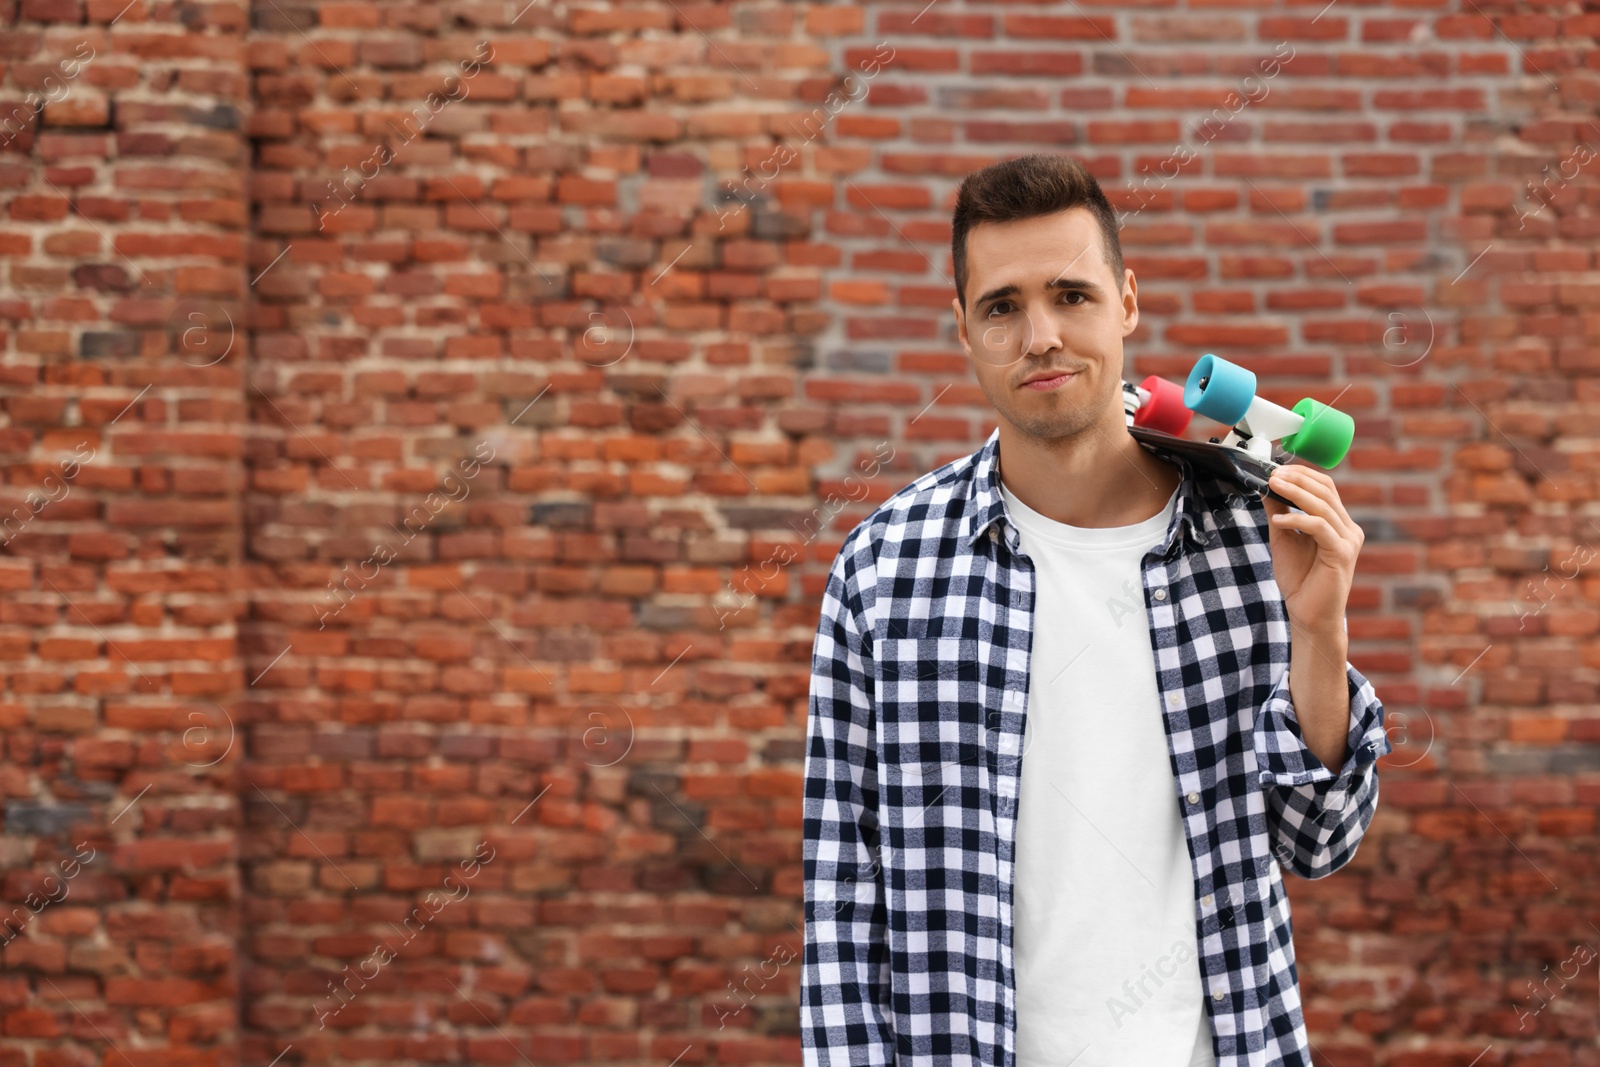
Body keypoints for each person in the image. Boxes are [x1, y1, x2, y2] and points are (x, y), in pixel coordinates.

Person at [797, 153, 1392, 1067]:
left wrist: (1317, 630)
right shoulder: (885, 570)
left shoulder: (1251, 539)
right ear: (964, 329)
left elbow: (1319, 840)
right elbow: (841, 895)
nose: (1040, 335)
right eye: (1003, 306)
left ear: (1127, 301)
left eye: (1071, 294)